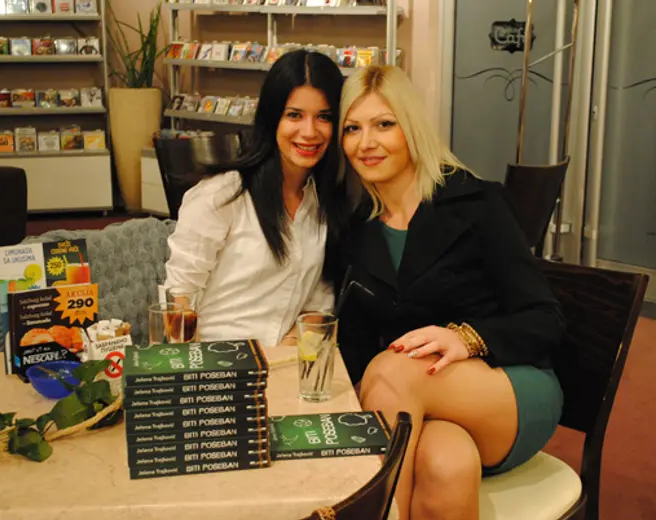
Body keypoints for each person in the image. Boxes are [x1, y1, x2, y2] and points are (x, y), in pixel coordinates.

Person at [332, 65, 566, 520]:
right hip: (419, 404)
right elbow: (356, 339)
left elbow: (546, 319)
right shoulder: (357, 227)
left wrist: (467, 338)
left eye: (384, 124)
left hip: (506, 385)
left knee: (391, 371)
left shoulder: (475, 203)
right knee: (446, 466)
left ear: (412, 128)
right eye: (352, 129)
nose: (366, 143)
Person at [164, 49, 344, 347]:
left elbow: (318, 304)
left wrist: (285, 354)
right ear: (272, 118)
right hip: (212, 359)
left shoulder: (325, 202)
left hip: (284, 362)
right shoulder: (222, 195)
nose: (309, 131)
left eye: (324, 117)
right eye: (294, 115)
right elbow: (180, 296)